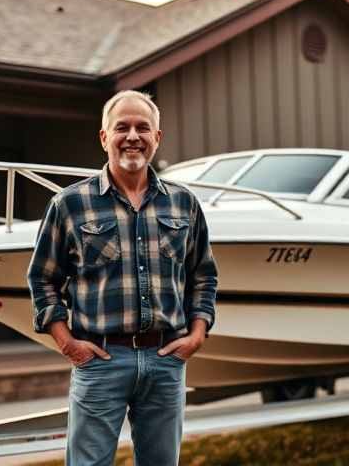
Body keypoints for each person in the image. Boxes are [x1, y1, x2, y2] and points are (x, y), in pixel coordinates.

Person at [27, 90, 218, 466]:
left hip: (165, 361)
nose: (133, 136)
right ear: (104, 137)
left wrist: (196, 335)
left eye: (143, 127)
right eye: (122, 127)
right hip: (100, 361)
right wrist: (69, 344)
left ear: (157, 138)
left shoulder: (184, 203)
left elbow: (203, 276)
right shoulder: (69, 204)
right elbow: (42, 280)